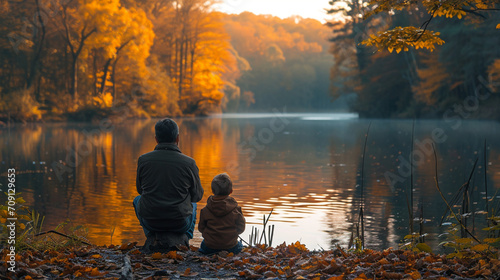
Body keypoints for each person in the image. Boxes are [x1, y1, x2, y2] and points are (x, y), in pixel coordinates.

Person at [133, 118, 203, 240]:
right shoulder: (189, 163)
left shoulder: (143, 160)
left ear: (156, 139)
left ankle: (151, 235)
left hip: (151, 222)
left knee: (137, 199)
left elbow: (140, 190)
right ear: (177, 138)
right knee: (194, 204)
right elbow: (197, 196)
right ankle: (186, 237)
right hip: (180, 224)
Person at [198, 173, 246, 254]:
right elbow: (241, 228)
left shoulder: (205, 210)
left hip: (210, 247)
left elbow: (201, 228)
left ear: (212, 190)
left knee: (203, 243)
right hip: (230, 247)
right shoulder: (236, 210)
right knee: (240, 246)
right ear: (231, 191)